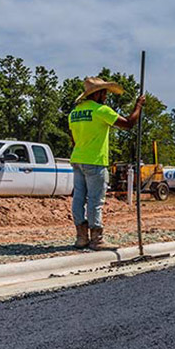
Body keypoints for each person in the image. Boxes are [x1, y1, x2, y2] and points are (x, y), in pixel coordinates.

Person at [68, 76, 145, 250]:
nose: (106, 96)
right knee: (95, 200)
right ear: (97, 94)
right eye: (104, 92)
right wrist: (138, 106)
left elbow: (73, 140)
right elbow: (129, 123)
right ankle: (97, 239)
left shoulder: (74, 113)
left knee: (79, 198)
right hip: (95, 161)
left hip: (77, 159)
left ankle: (81, 237)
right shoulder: (101, 110)